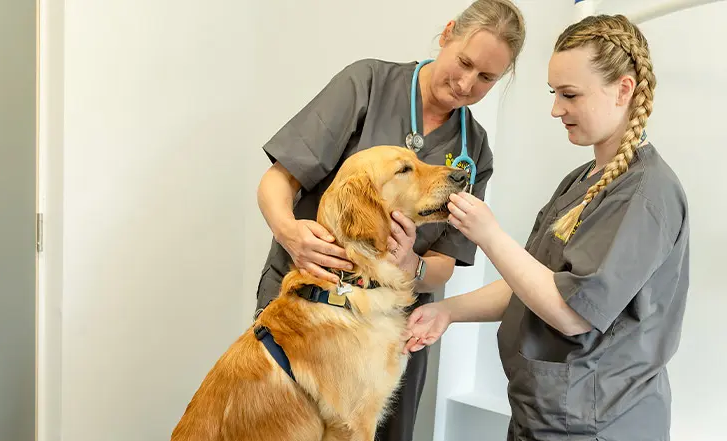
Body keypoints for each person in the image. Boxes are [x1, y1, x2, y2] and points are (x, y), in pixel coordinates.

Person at [404, 13, 689, 441]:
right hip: (542, 413)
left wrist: (488, 234)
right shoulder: (582, 181)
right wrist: (447, 311)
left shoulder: (645, 195)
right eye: (555, 94)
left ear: (623, 89)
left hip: (595, 425)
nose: (556, 109)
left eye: (570, 95)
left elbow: (572, 312)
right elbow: (533, 280)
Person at [253, 1, 526, 439]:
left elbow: (444, 263)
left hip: (387, 322)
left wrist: (410, 266)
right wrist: (289, 232)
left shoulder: (474, 148)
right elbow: (277, 181)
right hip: (310, 305)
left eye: (487, 78)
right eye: (465, 62)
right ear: (448, 34)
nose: (466, 83)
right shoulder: (368, 84)